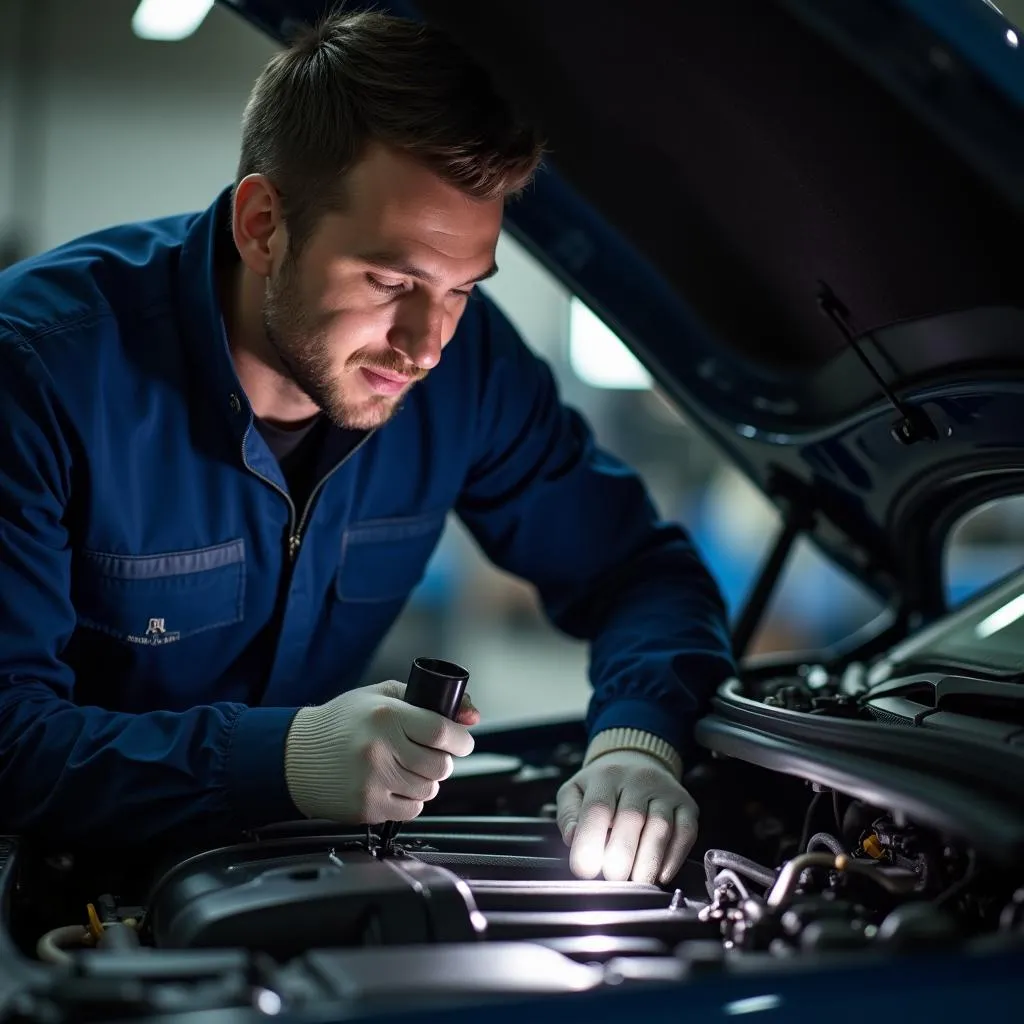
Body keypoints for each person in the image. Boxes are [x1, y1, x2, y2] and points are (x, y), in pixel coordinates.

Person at [0, 11, 733, 885]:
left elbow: (639, 572)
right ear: (264, 225)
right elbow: (8, 735)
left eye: (462, 288)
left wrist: (636, 743)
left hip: (280, 882)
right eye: (390, 281)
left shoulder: (472, 369)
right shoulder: (39, 375)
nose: (425, 345)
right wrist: (279, 758)